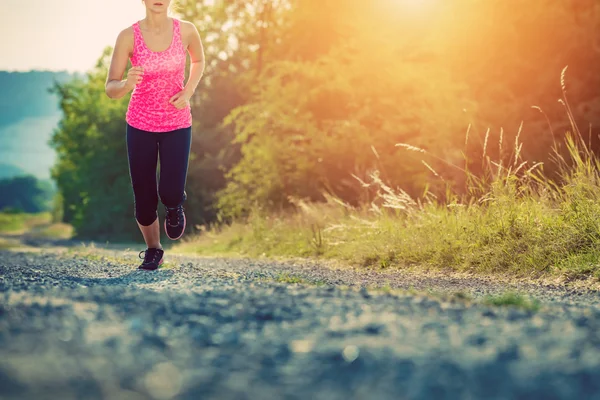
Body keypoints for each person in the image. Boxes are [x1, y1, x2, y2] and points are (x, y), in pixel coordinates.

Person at [105, 0, 205, 270]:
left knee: (171, 192)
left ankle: (174, 208)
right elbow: (111, 87)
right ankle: (153, 250)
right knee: (144, 198)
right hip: (140, 124)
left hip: (177, 123)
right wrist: (126, 83)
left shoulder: (186, 30)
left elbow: (198, 59)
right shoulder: (128, 36)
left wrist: (188, 91)